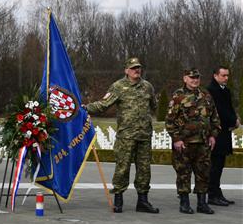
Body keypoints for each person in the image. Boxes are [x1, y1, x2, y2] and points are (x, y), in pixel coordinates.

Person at [85, 57, 159, 213]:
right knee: (122, 168)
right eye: (133, 68)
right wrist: (84, 108)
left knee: (144, 169)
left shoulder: (147, 87)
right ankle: (118, 199)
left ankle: (143, 201)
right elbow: (103, 105)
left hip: (144, 135)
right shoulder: (118, 87)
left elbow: (154, 106)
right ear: (126, 70)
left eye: (138, 67)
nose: (136, 70)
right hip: (126, 136)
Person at [165, 68, 221, 215]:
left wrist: (213, 135)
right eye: (191, 77)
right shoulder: (178, 96)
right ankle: (184, 203)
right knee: (183, 173)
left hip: (203, 143)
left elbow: (215, 118)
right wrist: (176, 139)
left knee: (203, 173)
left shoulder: (206, 95)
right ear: (185, 78)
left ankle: (202, 203)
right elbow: (170, 121)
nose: (195, 80)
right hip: (184, 143)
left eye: (197, 77)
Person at [206, 65, 239, 206]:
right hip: (216, 132)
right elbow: (219, 111)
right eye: (223, 75)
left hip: (224, 131)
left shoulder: (225, 90)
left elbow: (229, 108)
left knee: (220, 164)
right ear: (215, 76)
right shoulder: (211, 91)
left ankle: (217, 192)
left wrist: (235, 118)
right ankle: (212, 194)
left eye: (227, 76)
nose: (226, 78)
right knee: (215, 164)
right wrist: (233, 120)